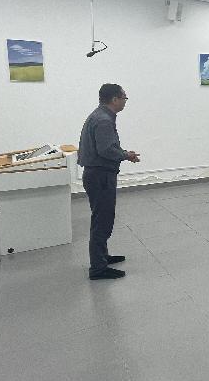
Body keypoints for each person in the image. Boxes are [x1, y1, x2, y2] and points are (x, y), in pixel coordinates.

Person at [78, 84, 140, 280]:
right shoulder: (104, 120)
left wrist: (123, 153)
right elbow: (106, 150)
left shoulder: (99, 116)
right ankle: (98, 268)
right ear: (115, 99)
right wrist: (126, 155)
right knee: (102, 220)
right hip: (100, 176)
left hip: (96, 174)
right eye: (124, 98)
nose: (125, 101)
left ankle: (102, 257)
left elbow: (105, 147)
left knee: (102, 218)